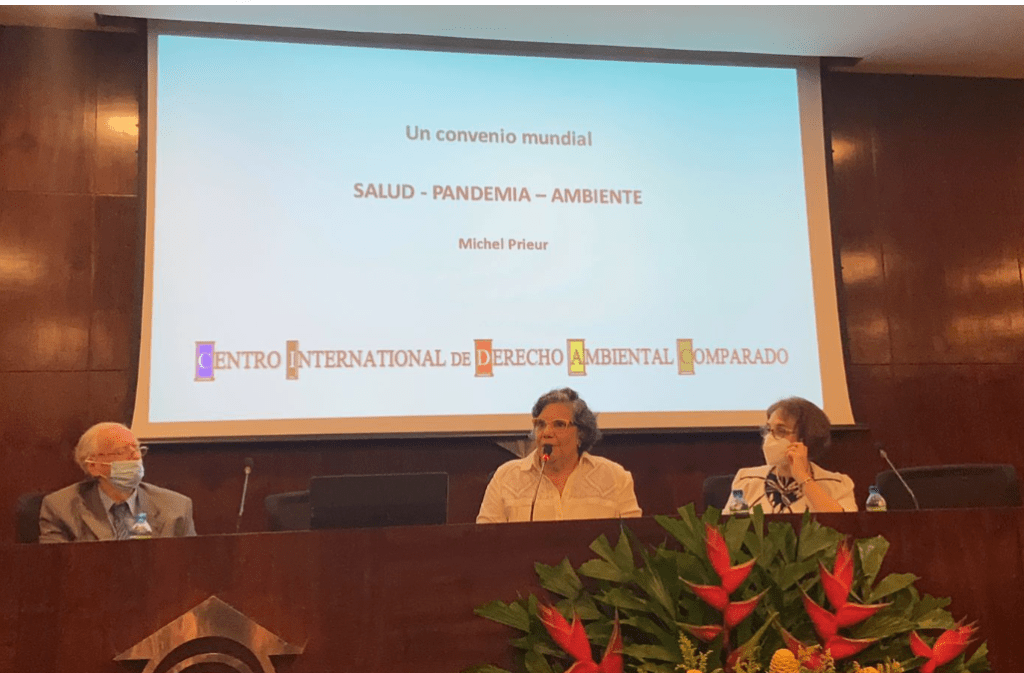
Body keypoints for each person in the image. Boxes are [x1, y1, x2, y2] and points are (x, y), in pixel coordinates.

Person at [477, 387, 642, 523]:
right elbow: (485, 540)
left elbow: (632, 540)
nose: (547, 432)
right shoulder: (506, 477)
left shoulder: (615, 477)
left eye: (559, 425)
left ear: (581, 434)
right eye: (540, 424)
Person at [39, 422, 197, 542]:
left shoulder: (176, 507)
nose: (136, 457)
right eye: (121, 451)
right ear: (93, 466)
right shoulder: (60, 508)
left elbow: (189, 566)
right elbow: (56, 567)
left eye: (137, 449)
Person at [725, 397, 856, 514]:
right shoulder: (745, 480)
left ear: (805, 439)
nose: (769, 438)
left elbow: (843, 525)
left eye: (781, 430)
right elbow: (729, 528)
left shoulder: (838, 484)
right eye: (769, 429)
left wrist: (803, 478)